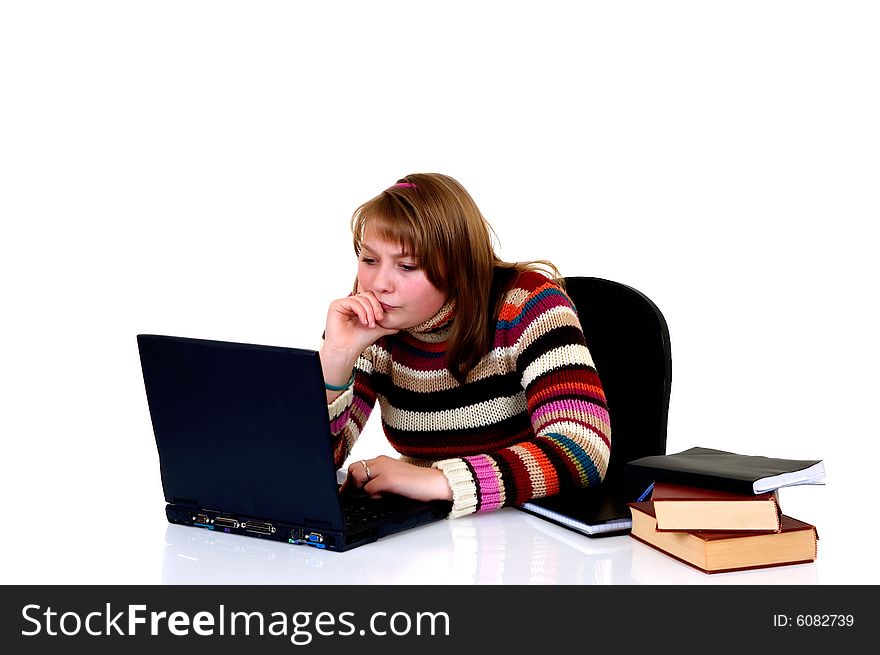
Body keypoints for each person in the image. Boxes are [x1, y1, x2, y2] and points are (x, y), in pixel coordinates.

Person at [319, 173, 610, 518]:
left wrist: (439, 480)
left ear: (459, 266)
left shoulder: (526, 304)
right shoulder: (369, 319)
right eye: (369, 260)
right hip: (428, 529)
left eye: (407, 265)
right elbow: (307, 465)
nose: (379, 283)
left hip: (525, 525)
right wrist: (336, 356)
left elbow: (583, 450)